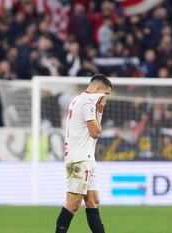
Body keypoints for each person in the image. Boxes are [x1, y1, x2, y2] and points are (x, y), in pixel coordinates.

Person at [55, 74, 112, 233]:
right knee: (72, 204)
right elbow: (95, 132)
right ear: (99, 89)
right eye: (106, 94)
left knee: (93, 202)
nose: (106, 99)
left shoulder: (78, 99)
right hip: (80, 159)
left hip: (86, 157)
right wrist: (99, 113)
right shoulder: (89, 101)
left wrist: (98, 112)